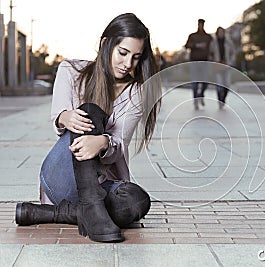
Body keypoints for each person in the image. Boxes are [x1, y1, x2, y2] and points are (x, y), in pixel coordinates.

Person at [14, 13, 162, 243]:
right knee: (90, 112)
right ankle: (89, 205)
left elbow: (119, 144)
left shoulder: (137, 93)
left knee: (137, 201)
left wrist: (103, 143)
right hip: (62, 176)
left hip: (103, 184)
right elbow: (59, 118)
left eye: (136, 57)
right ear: (106, 44)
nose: (128, 64)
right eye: (122, 53)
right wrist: (66, 117)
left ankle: (59, 213)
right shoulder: (71, 71)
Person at [184, 18, 213, 110]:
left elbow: (212, 48)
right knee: (195, 82)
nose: (200, 26)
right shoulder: (192, 36)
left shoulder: (208, 37)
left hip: (205, 61)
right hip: (194, 61)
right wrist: (197, 45)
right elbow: (187, 46)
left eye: (202, 24)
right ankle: (196, 100)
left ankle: (201, 95)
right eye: (199, 24)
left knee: (206, 81)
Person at [210, 26, 236, 109]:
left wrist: (230, 62)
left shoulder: (228, 41)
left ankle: (223, 99)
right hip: (217, 65)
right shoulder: (213, 42)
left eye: (222, 32)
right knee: (219, 84)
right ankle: (220, 100)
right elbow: (210, 54)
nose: (220, 34)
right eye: (219, 32)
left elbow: (233, 52)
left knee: (227, 84)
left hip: (226, 65)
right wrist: (213, 62)